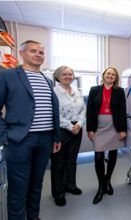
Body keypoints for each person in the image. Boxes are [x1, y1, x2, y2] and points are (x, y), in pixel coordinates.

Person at [0, 40, 61, 220]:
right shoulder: (5, 76)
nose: (38, 54)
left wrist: (56, 137)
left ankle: (33, 217)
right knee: (18, 188)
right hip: (20, 140)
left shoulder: (48, 81)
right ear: (22, 53)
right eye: (33, 51)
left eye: (41, 52)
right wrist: (3, 136)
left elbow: (52, 111)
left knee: (36, 184)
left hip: (45, 140)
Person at [86, 66, 127, 204]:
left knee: (113, 154)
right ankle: (101, 185)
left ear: (115, 78)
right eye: (108, 73)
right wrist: (90, 129)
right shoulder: (94, 90)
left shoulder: (120, 91)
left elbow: (122, 111)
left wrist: (122, 129)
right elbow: (90, 110)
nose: (110, 76)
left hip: (114, 126)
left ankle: (107, 180)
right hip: (99, 126)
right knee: (98, 156)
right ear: (104, 75)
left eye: (113, 75)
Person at [50, 66, 86, 206]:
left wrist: (79, 123)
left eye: (70, 74)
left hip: (77, 128)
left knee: (72, 160)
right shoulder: (54, 92)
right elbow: (54, 113)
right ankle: (58, 193)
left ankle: (71, 185)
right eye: (64, 74)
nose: (68, 76)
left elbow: (83, 109)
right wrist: (71, 126)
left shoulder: (77, 91)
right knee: (58, 163)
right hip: (61, 130)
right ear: (58, 76)